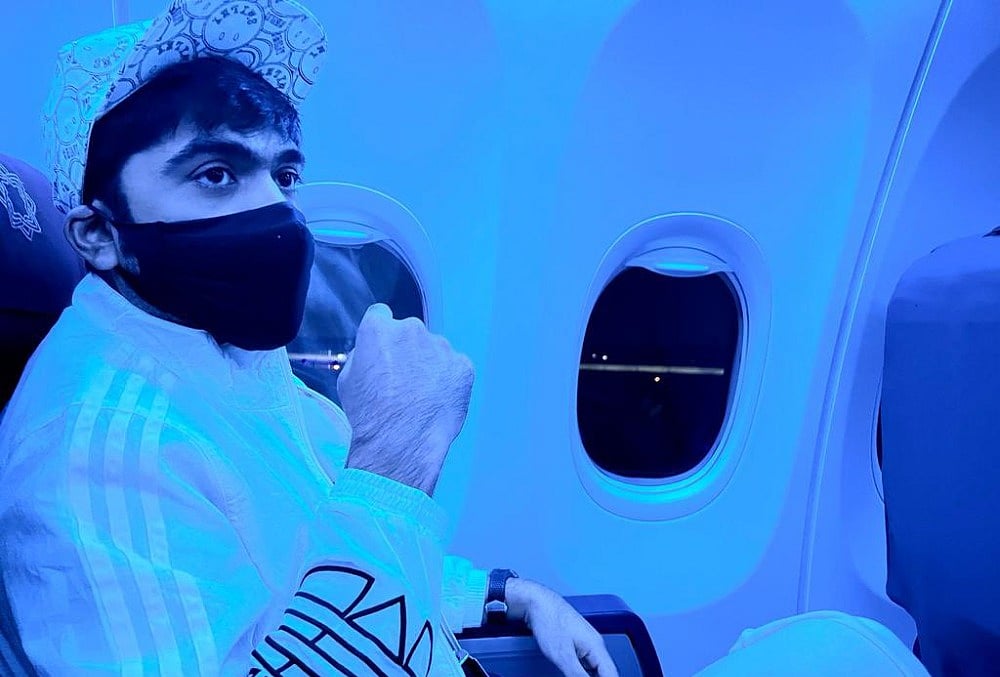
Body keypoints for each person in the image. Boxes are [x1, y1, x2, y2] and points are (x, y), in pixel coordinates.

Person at [0, 1, 618, 675]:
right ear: (99, 234)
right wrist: (392, 461)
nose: (274, 207)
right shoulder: (103, 457)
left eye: (284, 176)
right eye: (215, 174)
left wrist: (498, 595)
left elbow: (314, 553)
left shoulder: (229, 358)